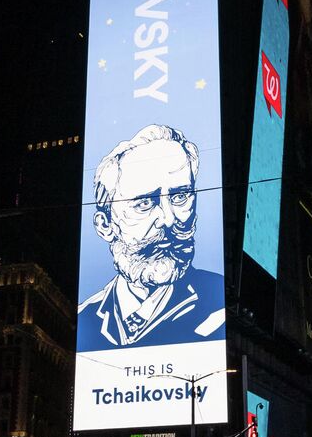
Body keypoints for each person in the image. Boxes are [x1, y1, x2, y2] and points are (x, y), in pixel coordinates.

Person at [78, 124, 227, 350]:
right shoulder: (85, 317)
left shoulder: (220, 308)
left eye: (180, 197)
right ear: (105, 225)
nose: (168, 219)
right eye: (145, 203)